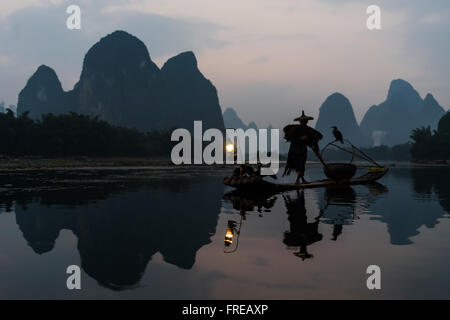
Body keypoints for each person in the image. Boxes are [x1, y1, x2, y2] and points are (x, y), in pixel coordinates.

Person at [283, 110, 324, 184]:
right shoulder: (295, 128)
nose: (304, 121)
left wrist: (316, 151)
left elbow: (313, 141)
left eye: (305, 120)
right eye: (303, 120)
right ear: (301, 121)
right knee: (300, 165)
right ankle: (297, 181)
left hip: (299, 150)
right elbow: (288, 134)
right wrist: (300, 138)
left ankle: (301, 180)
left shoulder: (308, 130)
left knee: (301, 165)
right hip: (296, 150)